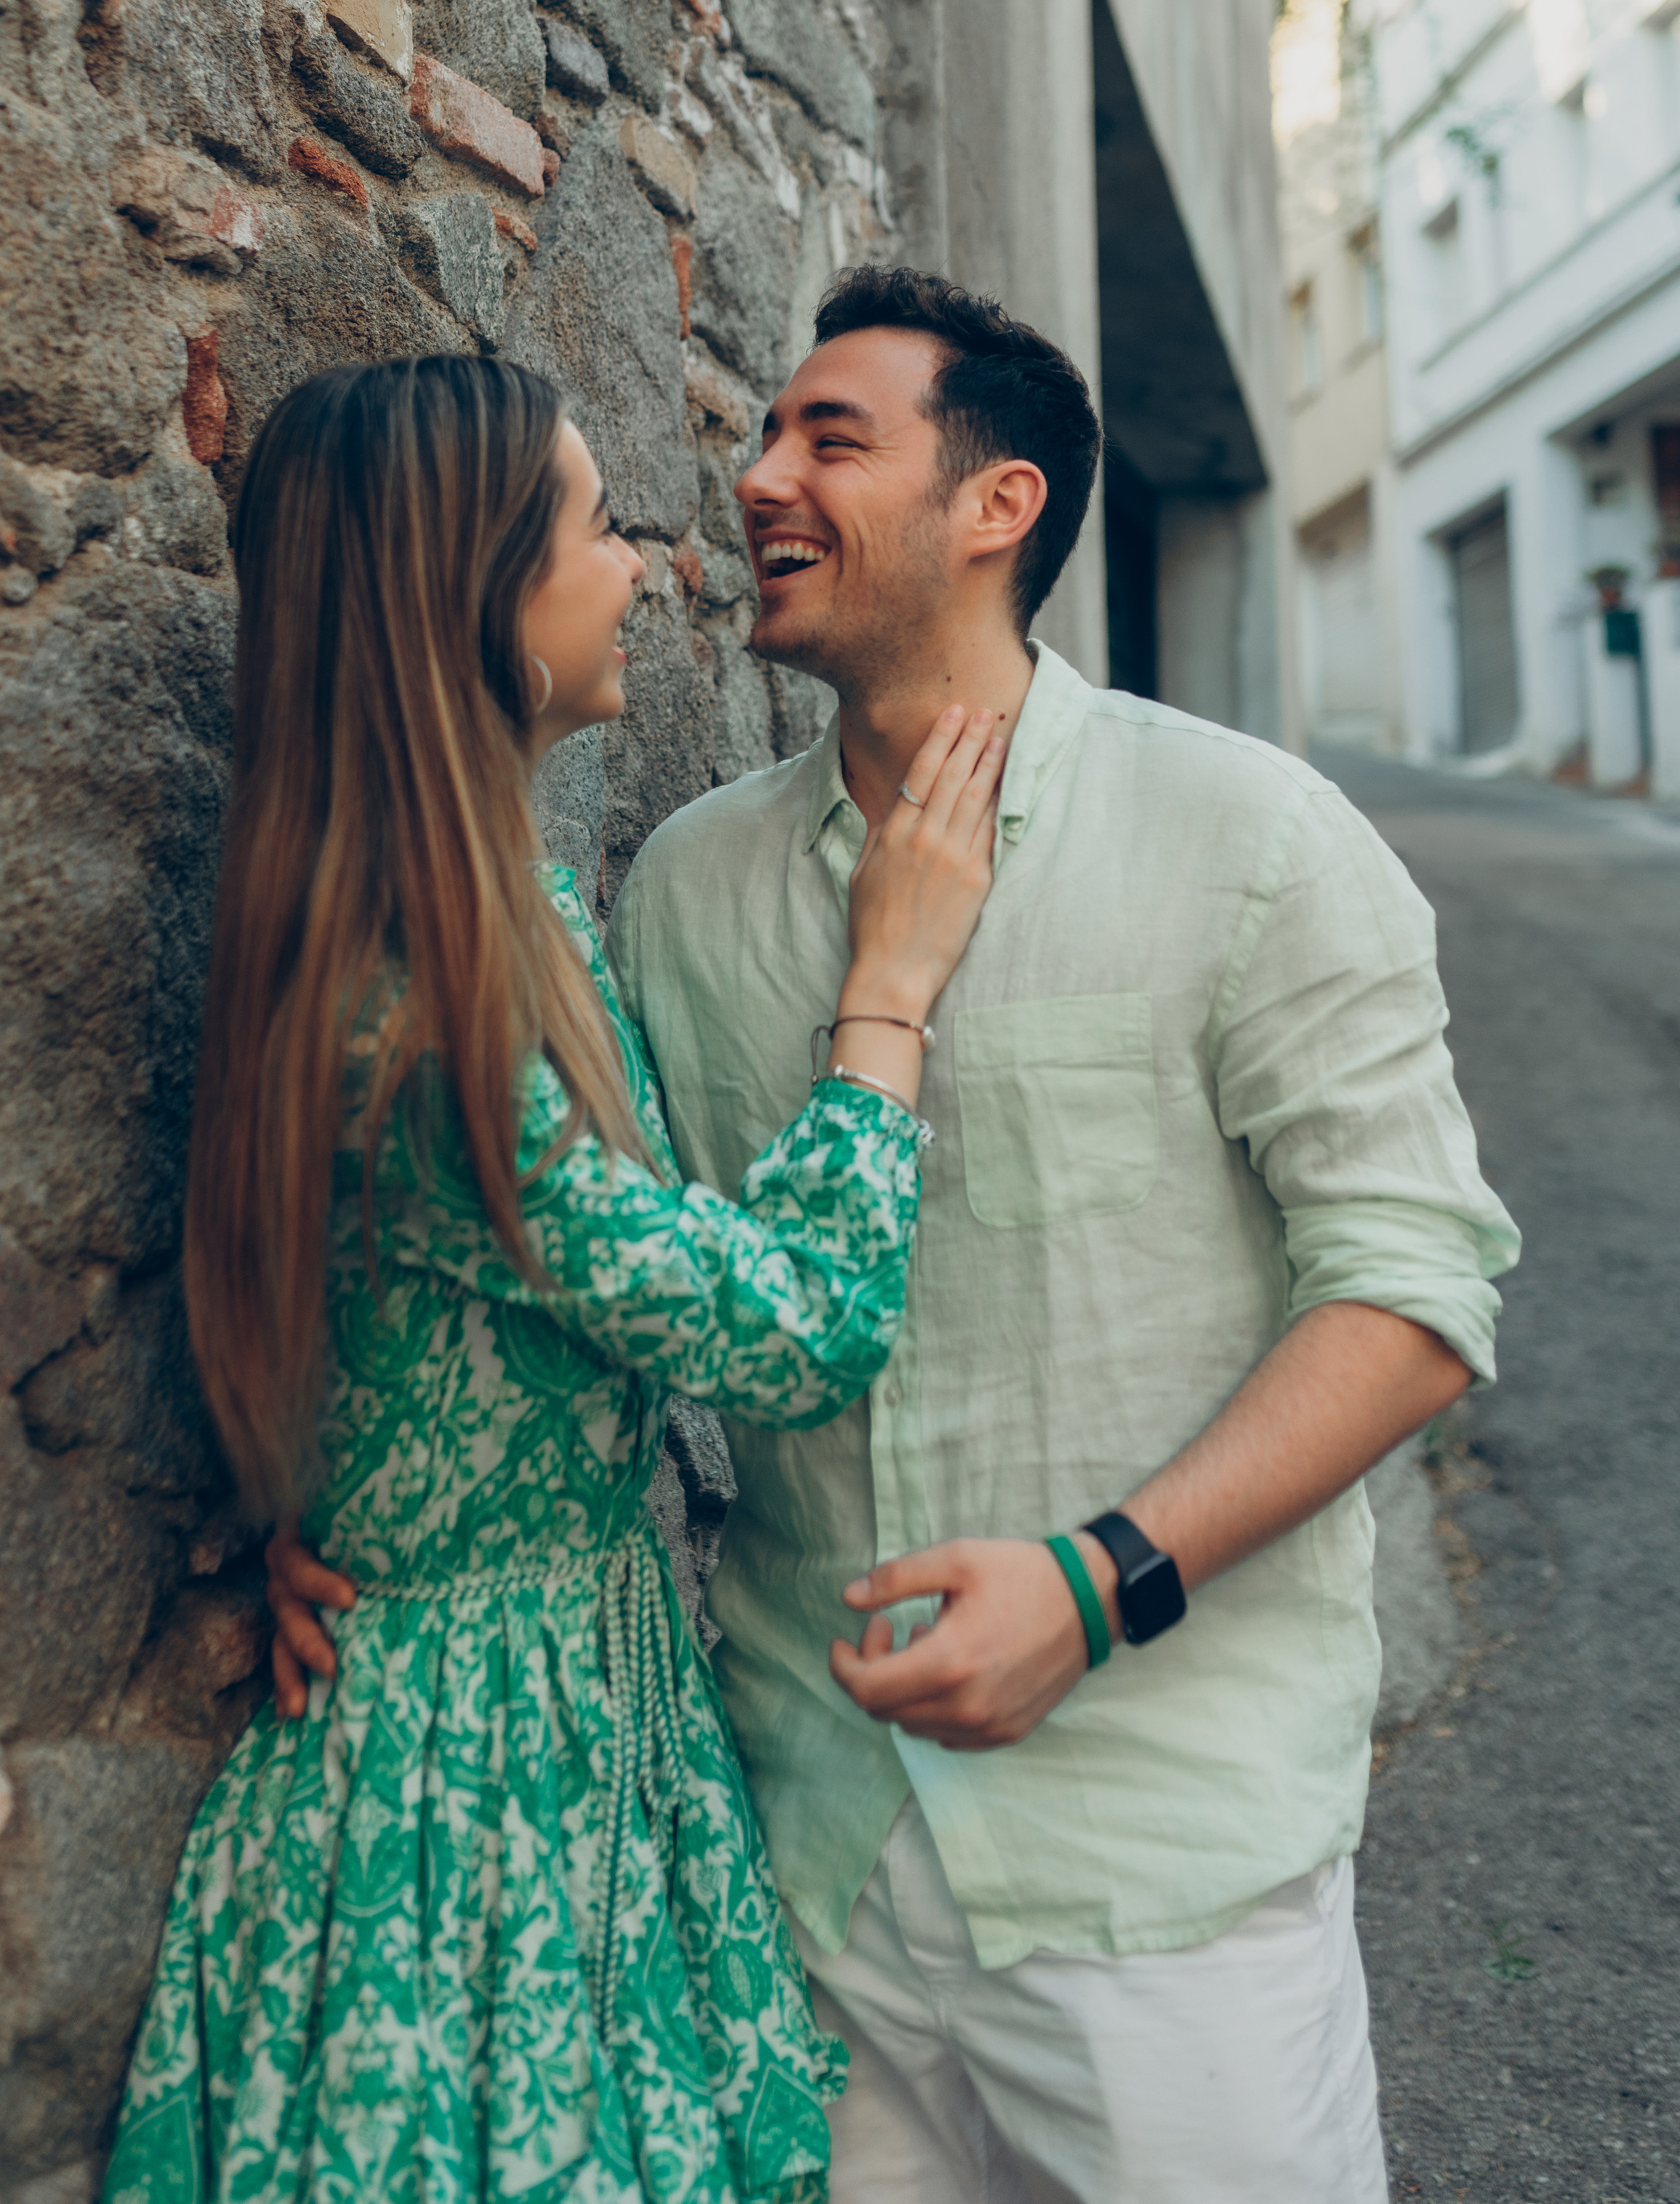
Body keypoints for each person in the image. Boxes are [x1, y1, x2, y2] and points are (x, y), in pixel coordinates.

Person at [271, 271, 1521, 2204]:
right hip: (801, 1864)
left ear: (996, 503)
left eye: (828, 439)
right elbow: (552, 1279)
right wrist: (344, 1527)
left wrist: (1103, 1581)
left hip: (1153, 1873)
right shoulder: (680, 894)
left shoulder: (1252, 837)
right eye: (765, 431)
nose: (756, 477)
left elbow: (1416, 1291)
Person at [101, 352, 1007, 2204]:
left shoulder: (485, 922)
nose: (645, 567)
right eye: (595, 528)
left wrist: (329, 1507)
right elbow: (802, 1330)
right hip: (468, 1816)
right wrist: (888, 988)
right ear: (483, 606)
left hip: (554, 1722)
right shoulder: (436, 1018)